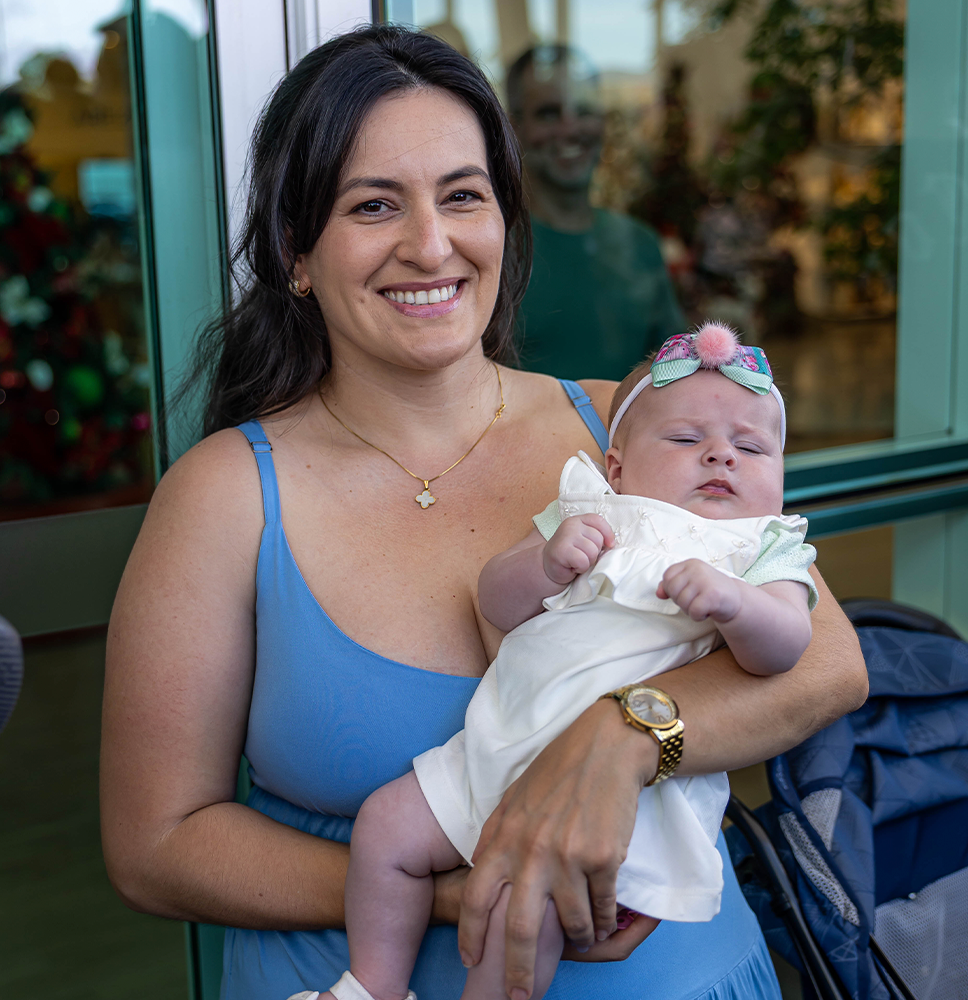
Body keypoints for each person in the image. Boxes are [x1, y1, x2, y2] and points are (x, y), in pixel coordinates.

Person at [99, 25, 867, 1000]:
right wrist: (458, 889)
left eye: (463, 195)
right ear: (296, 251)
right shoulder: (227, 494)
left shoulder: (626, 433)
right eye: (374, 205)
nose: (431, 244)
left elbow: (830, 660)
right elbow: (155, 844)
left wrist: (624, 737)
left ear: (504, 220)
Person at [308, 325, 816, 1000]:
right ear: (618, 468)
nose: (722, 457)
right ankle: (372, 984)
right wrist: (545, 562)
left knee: (525, 907)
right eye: (688, 440)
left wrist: (736, 606)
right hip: (499, 743)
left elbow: (788, 647)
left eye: (751, 448)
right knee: (386, 826)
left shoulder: (761, 547)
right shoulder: (590, 510)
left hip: (617, 801)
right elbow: (496, 600)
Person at [506, 45, 685, 381]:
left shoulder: (640, 244)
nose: (570, 129)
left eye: (584, 110)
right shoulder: (493, 247)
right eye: (548, 113)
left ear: (602, 121)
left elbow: (676, 377)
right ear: (514, 127)